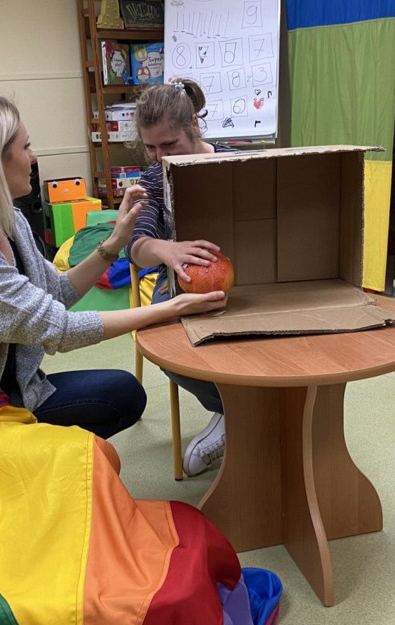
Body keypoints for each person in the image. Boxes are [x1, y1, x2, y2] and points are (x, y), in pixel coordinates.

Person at [0, 89, 227, 502]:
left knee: (122, 395)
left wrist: (114, 243)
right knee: (90, 469)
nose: (33, 158)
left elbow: (57, 293)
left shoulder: (7, 220)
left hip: (10, 402)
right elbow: (60, 329)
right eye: (25, 147)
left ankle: (17, 483)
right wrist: (172, 307)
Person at [125, 78, 239, 477]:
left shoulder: (237, 162)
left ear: (193, 125)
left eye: (169, 144)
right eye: (150, 147)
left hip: (251, 278)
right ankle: (236, 412)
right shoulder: (152, 179)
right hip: (179, 283)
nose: (159, 156)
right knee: (161, 342)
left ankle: (255, 412)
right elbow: (136, 246)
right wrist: (165, 249)